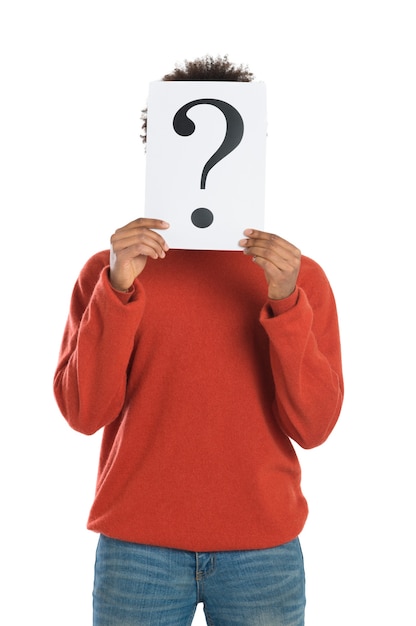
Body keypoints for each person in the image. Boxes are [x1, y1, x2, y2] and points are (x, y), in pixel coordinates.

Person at [53, 55, 344, 626]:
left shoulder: (299, 278)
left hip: (263, 550)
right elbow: (85, 413)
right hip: (136, 548)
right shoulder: (106, 272)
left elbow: (314, 426)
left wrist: (285, 302)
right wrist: (116, 289)